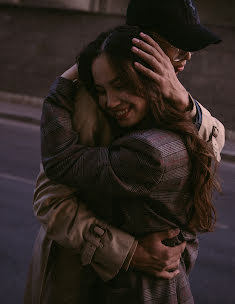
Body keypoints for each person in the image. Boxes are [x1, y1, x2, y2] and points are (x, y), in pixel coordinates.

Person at [24, 1, 225, 303]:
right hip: (78, 281)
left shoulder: (169, 91)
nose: (187, 56)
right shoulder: (88, 104)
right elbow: (49, 199)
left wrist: (186, 103)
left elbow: (214, 142)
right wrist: (129, 252)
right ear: (142, 44)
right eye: (178, 45)